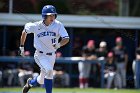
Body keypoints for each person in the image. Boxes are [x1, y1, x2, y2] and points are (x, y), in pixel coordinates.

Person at [19, 5, 69, 93]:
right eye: (50, 15)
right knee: (49, 71)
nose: (52, 17)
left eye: (54, 15)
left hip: (52, 56)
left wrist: (59, 44)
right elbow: (24, 32)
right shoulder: (36, 25)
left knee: (41, 80)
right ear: (44, 16)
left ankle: (30, 83)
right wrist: (22, 46)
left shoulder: (58, 25)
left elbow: (66, 38)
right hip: (40, 54)